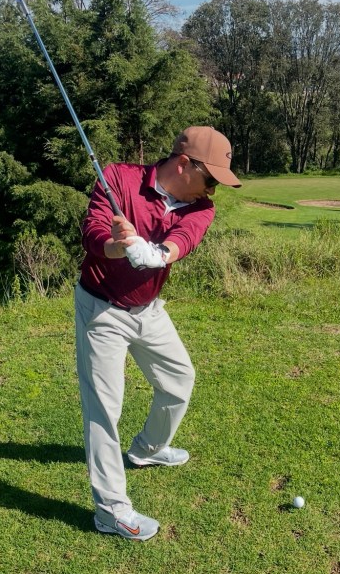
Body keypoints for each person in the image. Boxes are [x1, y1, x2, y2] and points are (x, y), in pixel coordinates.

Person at [75, 126, 241, 541]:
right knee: (104, 410)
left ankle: (147, 449)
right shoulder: (118, 177)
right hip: (102, 309)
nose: (212, 191)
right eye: (210, 179)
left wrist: (155, 254)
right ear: (184, 164)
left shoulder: (200, 207)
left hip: (148, 310)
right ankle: (111, 512)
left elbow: (185, 238)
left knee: (179, 380)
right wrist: (118, 246)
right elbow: (93, 232)